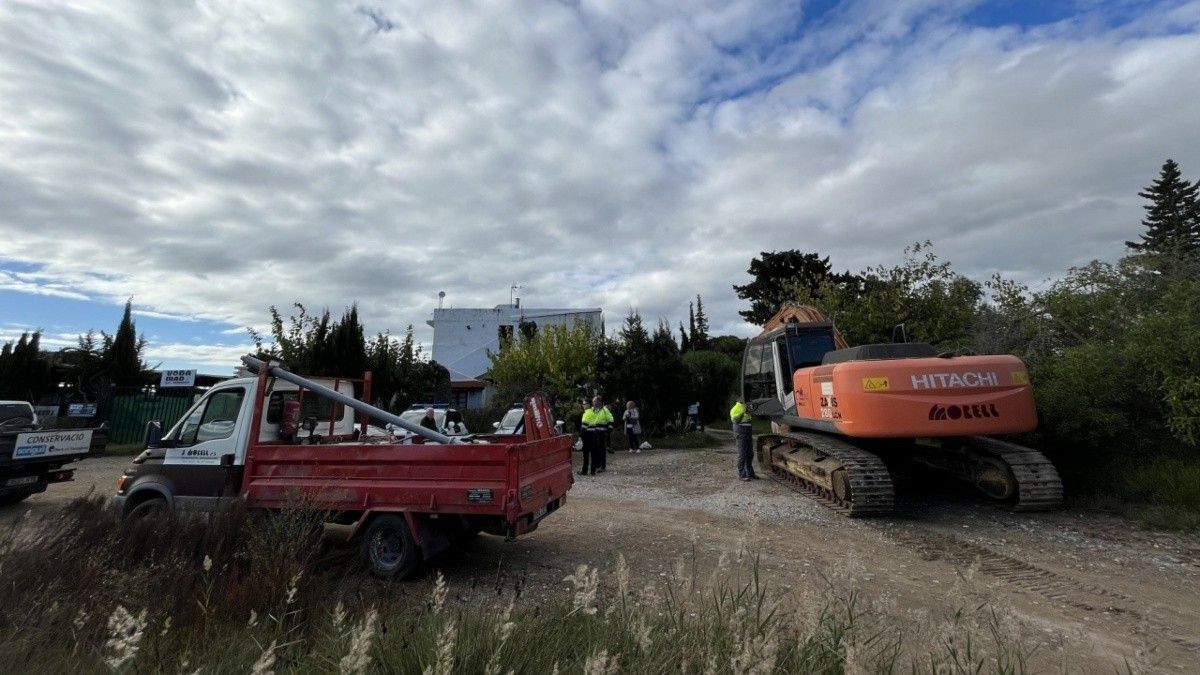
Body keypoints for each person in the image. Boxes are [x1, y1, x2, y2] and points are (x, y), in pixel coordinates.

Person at [580, 395, 614, 475]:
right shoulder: (591, 410)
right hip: (593, 432)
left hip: (602, 432)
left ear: (600, 402)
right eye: (593, 401)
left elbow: (611, 420)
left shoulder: (605, 410)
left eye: (595, 401)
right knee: (595, 450)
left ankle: (602, 466)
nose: (594, 403)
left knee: (602, 449)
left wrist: (608, 431)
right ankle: (596, 465)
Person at [730, 397, 757, 481]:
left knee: (750, 453)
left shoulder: (746, 406)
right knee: (742, 454)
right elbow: (736, 420)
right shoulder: (735, 409)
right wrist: (743, 412)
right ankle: (742, 475)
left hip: (748, 430)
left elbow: (750, 417)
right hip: (740, 431)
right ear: (739, 399)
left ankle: (750, 473)